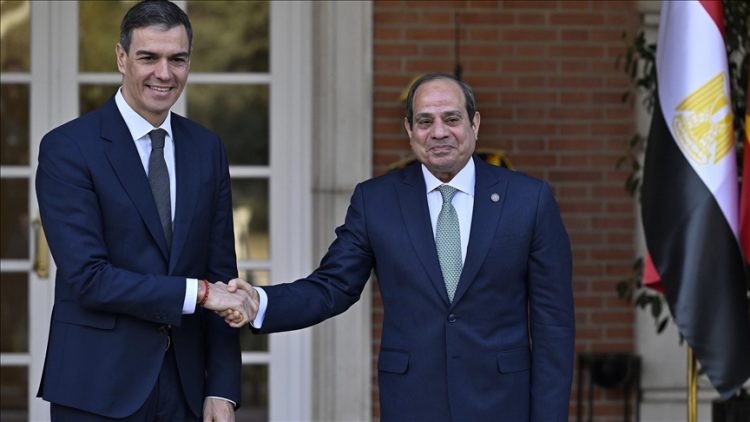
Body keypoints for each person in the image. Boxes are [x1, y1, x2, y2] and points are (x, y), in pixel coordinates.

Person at [225, 72, 575, 421]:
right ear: (410, 129)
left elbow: (554, 324)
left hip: (502, 403)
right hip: (412, 402)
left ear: (475, 123)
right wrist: (259, 303)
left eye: (452, 119)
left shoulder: (529, 200)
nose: (438, 132)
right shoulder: (376, 201)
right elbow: (332, 285)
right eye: (425, 121)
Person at [35, 1, 254, 420]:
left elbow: (221, 273)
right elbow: (89, 278)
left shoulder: (207, 148)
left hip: (185, 388)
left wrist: (222, 388)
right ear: (121, 58)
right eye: (148, 57)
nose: (164, 73)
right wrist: (199, 293)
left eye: (178, 59)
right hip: (96, 385)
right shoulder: (69, 148)